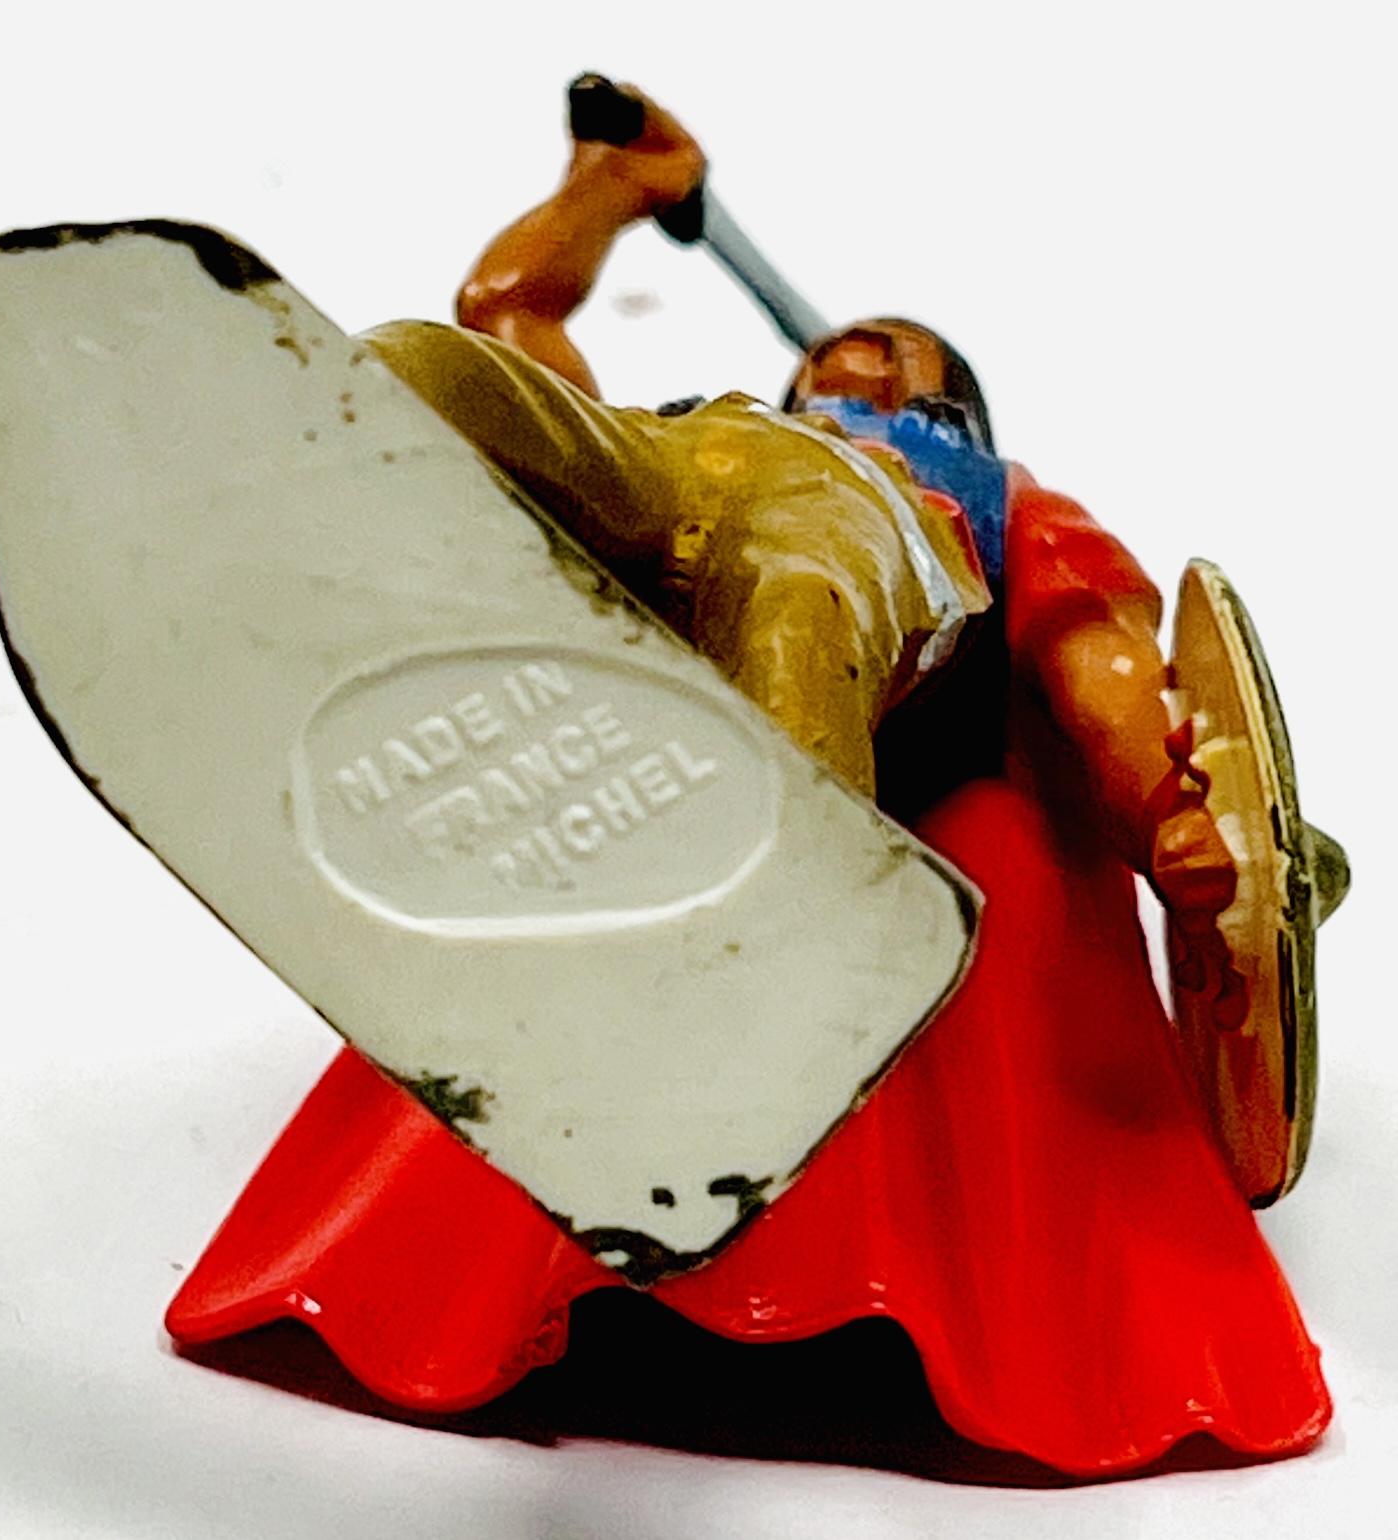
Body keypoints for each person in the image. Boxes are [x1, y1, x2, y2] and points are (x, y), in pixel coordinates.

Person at [165, 82, 1328, 1476]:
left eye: (893, 349)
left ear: (945, 397)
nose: (856, 350)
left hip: (865, 568)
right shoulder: (709, 414)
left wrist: (1162, 810)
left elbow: (1099, 662)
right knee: (429, 371)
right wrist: (612, 188)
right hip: (677, 487)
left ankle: (768, 965)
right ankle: (260, 510)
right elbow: (506, 314)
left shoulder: (986, 489)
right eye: (840, 346)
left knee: (795, 594)